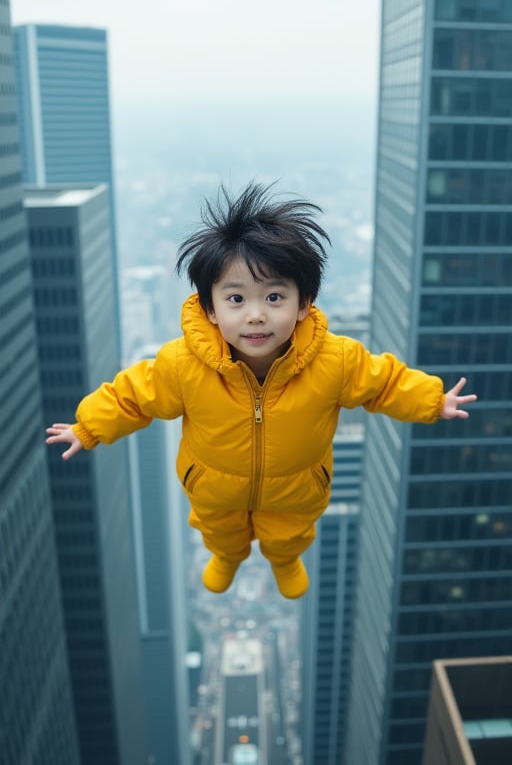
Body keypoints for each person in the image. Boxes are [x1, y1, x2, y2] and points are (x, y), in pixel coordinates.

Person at [46, 182, 477, 599]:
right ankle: (226, 558)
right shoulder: (182, 364)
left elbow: (383, 383)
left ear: (304, 303)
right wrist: (88, 427)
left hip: (298, 486)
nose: (255, 316)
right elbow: (132, 395)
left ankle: (284, 560)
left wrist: (432, 400)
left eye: (274, 297)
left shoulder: (336, 360)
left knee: (290, 531)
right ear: (210, 308)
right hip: (213, 485)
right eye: (236, 300)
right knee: (218, 529)